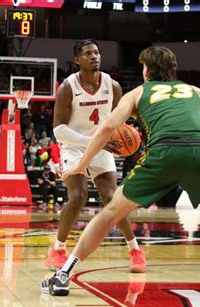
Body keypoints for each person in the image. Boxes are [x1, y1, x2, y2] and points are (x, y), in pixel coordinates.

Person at [42, 46, 200, 297]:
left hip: (164, 152)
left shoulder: (138, 93)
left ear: (146, 70)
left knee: (110, 212)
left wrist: (82, 165)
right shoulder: (191, 90)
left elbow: (107, 128)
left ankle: (63, 276)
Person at [47, 39, 146, 273]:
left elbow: (119, 119)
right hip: (74, 145)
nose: (94, 57)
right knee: (78, 196)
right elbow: (59, 130)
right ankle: (58, 250)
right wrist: (93, 141)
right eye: (88, 53)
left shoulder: (113, 86)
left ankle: (135, 250)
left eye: (97, 53)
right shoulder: (67, 88)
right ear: (76, 59)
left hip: (102, 145)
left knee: (113, 199)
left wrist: (126, 134)